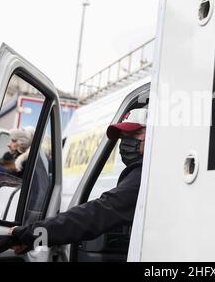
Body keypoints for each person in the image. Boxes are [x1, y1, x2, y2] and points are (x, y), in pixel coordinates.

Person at [9, 108, 148, 254]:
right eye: (123, 137)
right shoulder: (144, 172)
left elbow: (97, 214)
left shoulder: (144, 175)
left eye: (135, 134)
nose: (126, 143)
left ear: (154, 136)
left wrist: (31, 235)